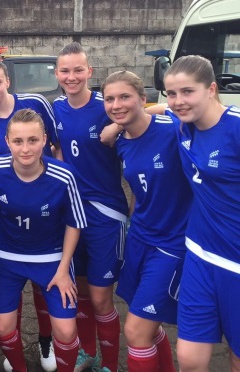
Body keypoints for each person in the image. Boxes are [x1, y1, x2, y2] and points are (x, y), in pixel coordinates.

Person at [0, 108, 86, 372]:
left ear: (45, 140)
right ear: (7, 142)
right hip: (7, 258)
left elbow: (74, 224)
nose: (25, 149)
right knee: (3, 328)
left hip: (51, 259)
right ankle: (19, 367)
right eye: (18, 141)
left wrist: (63, 270)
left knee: (65, 329)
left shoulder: (64, 176)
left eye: (33, 140)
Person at [0, 56, 57, 372]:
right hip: (7, 216)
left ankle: (46, 340)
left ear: (8, 81)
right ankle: (14, 348)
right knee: (11, 282)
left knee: (43, 283)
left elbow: (57, 149)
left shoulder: (35, 103)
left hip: (47, 212)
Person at [102, 71, 190, 372]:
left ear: (142, 98)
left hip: (172, 244)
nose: (116, 104)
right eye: (109, 99)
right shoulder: (122, 141)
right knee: (148, 327)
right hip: (139, 238)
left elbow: (174, 111)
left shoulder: (174, 130)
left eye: (125, 96)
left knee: (136, 332)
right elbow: (140, 189)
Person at [52, 42, 128, 372]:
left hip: (105, 213)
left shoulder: (106, 106)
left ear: (89, 72)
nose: (72, 77)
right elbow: (55, 147)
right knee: (80, 292)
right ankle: (88, 353)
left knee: (100, 298)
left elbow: (153, 108)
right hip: (72, 215)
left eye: (78, 70)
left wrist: (118, 125)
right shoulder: (55, 108)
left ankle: (110, 363)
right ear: (56, 74)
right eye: (65, 71)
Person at [164, 55, 240, 372]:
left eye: (187, 92)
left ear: (211, 89)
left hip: (236, 264)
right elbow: (155, 112)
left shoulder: (235, 128)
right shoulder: (184, 127)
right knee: (190, 359)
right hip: (198, 254)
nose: (179, 101)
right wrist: (115, 125)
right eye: (171, 93)